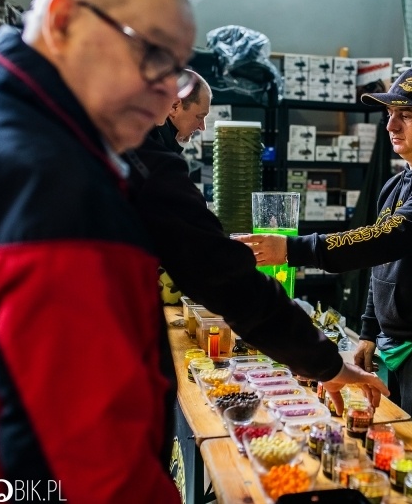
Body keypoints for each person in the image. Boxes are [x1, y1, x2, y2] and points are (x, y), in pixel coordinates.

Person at [0, 0, 199, 501]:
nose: (169, 89)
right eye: (151, 52)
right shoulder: (53, 187)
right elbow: (98, 468)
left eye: (175, 67)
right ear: (63, 22)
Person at [239, 67, 412, 462]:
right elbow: (381, 260)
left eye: (405, 114)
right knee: (404, 449)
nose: (390, 124)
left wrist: (292, 250)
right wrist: (370, 331)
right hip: (402, 343)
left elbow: (384, 239)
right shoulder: (398, 183)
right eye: (389, 113)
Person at [126, 75, 389, 413]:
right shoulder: (148, 164)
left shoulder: (82, 133)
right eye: (200, 116)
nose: (204, 127)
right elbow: (224, 276)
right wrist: (323, 362)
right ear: (170, 103)